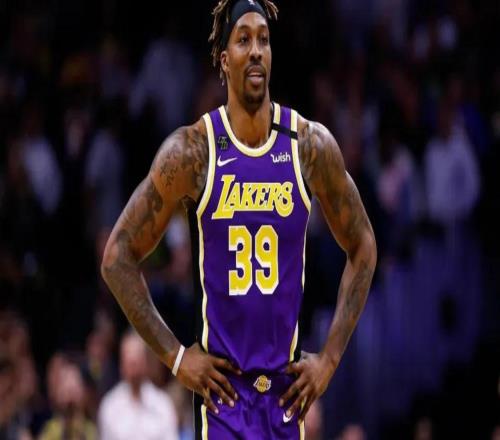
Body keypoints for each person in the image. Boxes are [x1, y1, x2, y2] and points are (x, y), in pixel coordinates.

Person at [101, 1, 377, 438]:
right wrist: (176, 357)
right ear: (224, 59)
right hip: (223, 400)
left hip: (286, 397)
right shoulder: (193, 152)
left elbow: (364, 246)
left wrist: (328, 360)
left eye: (263, 40)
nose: (256, 50)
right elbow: (117, 256)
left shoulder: (309, 146)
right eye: (243, 39)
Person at [98, 331, 178, 440]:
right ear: (121, 364)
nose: (133, 365)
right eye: (129, 360)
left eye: (137, 359)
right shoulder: (110, 406)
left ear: (145, 362)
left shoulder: (162, 404)